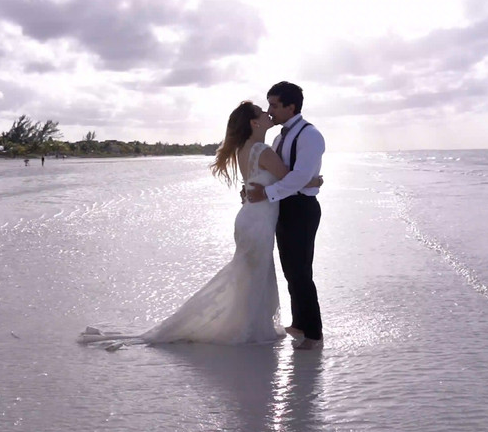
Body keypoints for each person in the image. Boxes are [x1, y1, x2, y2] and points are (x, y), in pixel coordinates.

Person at [79, 101, 322, 349]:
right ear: (254, 122)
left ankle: (248, 324)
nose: (268, 112)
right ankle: (246, 328)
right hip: (258, 220)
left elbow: (259, 182)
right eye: (263, 111)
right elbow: (289, 179)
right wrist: (313, 180)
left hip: (249, 218)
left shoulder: (243, 149)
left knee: (250, 274)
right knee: (253, 273)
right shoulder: (264, 150)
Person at [245, 81, 325, 350]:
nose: (271, 111)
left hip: (302, 208)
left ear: (291, 107)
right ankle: (299, 323)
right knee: (291, 269)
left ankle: (313, 333)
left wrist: (265, 194)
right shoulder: (280, 137)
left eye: (275, 105)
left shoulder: (310, 135)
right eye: (269, 104)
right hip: (283, 207)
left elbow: (300, 177)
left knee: (301, 271)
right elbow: (285, 174)